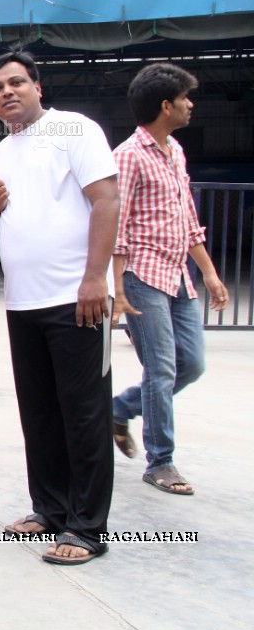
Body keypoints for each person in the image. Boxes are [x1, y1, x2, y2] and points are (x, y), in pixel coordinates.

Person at [0, 52, 119, 565]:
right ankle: (50, 508)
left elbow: (105, 201)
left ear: (38, 86)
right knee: (39, 412)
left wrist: (93, 279)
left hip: (75, 298)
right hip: (23, 301)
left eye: (17, 82)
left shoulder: (75, 130)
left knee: (84, 414)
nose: (8, 92)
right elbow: (0, 231)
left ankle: (86, 526)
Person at [111, 62, 229, 496]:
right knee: (160, 368)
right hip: (143, 275)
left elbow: (187, 218)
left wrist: (211, 274)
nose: (190, 105)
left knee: (191, 364)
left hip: (178, 274)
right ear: (166, 105)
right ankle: (160, 461)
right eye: (185, 99)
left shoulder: (174, 151)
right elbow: (116, 227)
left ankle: (119, 408)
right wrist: (118, 288)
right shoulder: (127, 156)